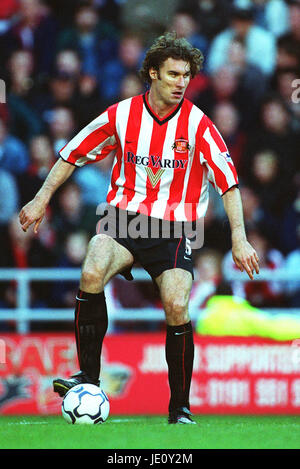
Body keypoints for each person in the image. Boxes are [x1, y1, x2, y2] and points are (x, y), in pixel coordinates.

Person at [19, 32, 259, 425]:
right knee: (92, 268)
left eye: (186, 75)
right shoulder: (121, 115)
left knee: (178, 304)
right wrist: (41, 198)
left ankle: (179, 408)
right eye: (173, 74)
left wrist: (240, 238)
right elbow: (71, 153)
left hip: (175, 226)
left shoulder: (198, 125)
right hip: (124, 219)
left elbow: (228, 183)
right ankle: (88, 376)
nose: (182, 82)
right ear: (153, 73)